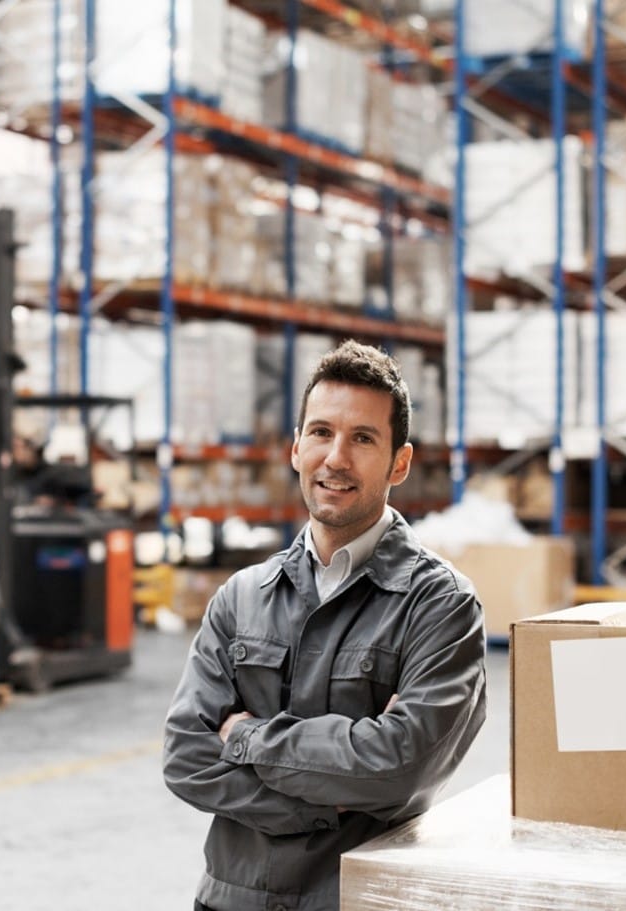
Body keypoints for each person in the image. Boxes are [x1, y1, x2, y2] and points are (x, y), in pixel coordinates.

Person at [163, 339, 487, 911]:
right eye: (321, 432)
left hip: (355, 901)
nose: (336, 457)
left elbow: (399, 768)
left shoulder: (441, 605)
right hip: (230, 900)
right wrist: (324, 802)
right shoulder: (242, 597)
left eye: (363, 438)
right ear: (295, 449)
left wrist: (243, 736)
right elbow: (187, 757)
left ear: (400, 463)